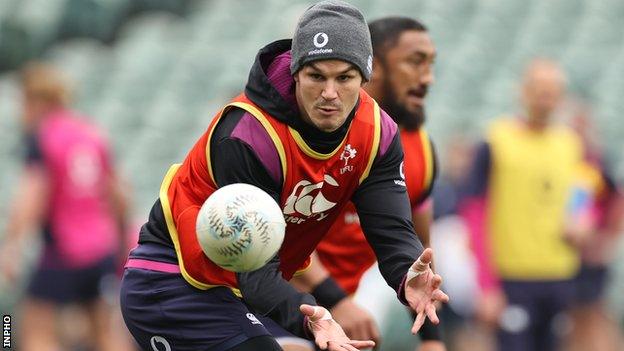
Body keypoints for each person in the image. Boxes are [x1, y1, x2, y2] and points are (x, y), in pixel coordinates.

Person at [119, 2, 448, 351]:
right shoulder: (250, 135)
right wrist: (312, 315)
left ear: (365, 78)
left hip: (245, 294)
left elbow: (391, 229)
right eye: (316, 76)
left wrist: (405, 277)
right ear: (295, 73)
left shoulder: (378, 133)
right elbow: (254, 271)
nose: (330, 94)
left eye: (345, 78)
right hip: (174, 281)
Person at [289, 16, 446, 351]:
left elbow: (418, 247)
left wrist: (433, 338)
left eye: (431, 64)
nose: (427, 78)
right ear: (371, 66)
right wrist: (336, 301)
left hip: (346, 310)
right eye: (414, 62)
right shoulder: (303, 134)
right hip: (275, 302)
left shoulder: (420, 150)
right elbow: (274, 236)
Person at [0, 62, 131, 351]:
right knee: (104, 333)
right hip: (101, 250)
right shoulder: (91, 133)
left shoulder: (42, 138)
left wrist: (11, 246)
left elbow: (31, 198)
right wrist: (121, 243)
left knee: (35, 330)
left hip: (64, 251)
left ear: (37, 102)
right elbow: (120, 194)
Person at [460, 59, 584, 351]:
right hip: (512, 276)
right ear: (522, 92)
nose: (545, 99)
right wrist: (486, 284)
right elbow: (474, 213)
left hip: (559, 273)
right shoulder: (495, 140)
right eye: (539, 90)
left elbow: (584, 189)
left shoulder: (570, 143)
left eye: (552, 92)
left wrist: (582, 217)